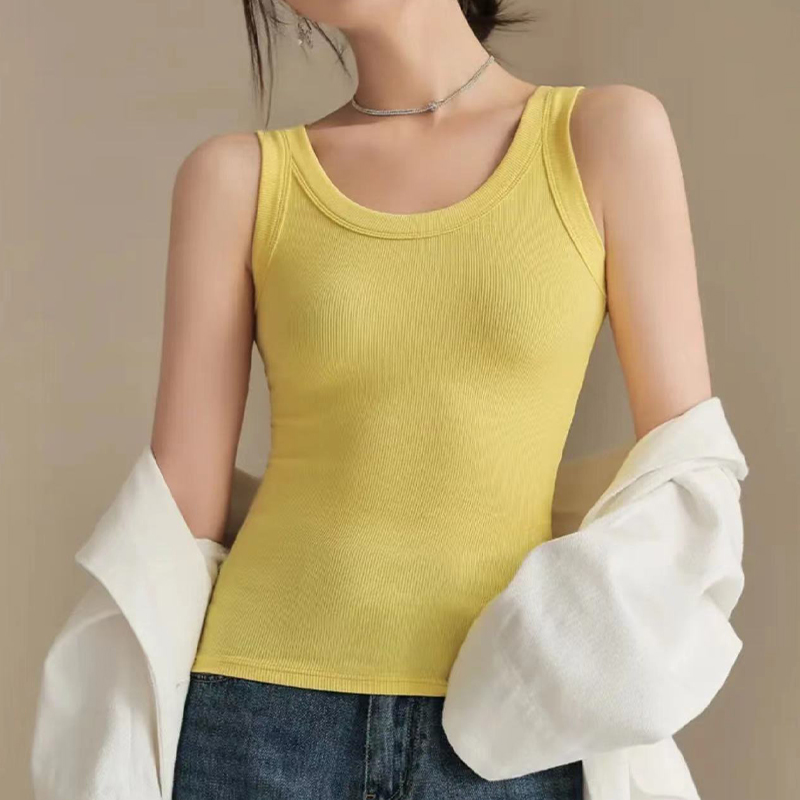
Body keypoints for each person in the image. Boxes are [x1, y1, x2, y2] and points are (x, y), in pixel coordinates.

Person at [153, 1, 712, 798]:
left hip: (515, 720)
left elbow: (685, 476)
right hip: (257, 715)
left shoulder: (603, 135)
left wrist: (580, 662)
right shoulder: (237, 177)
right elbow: (175, 522)